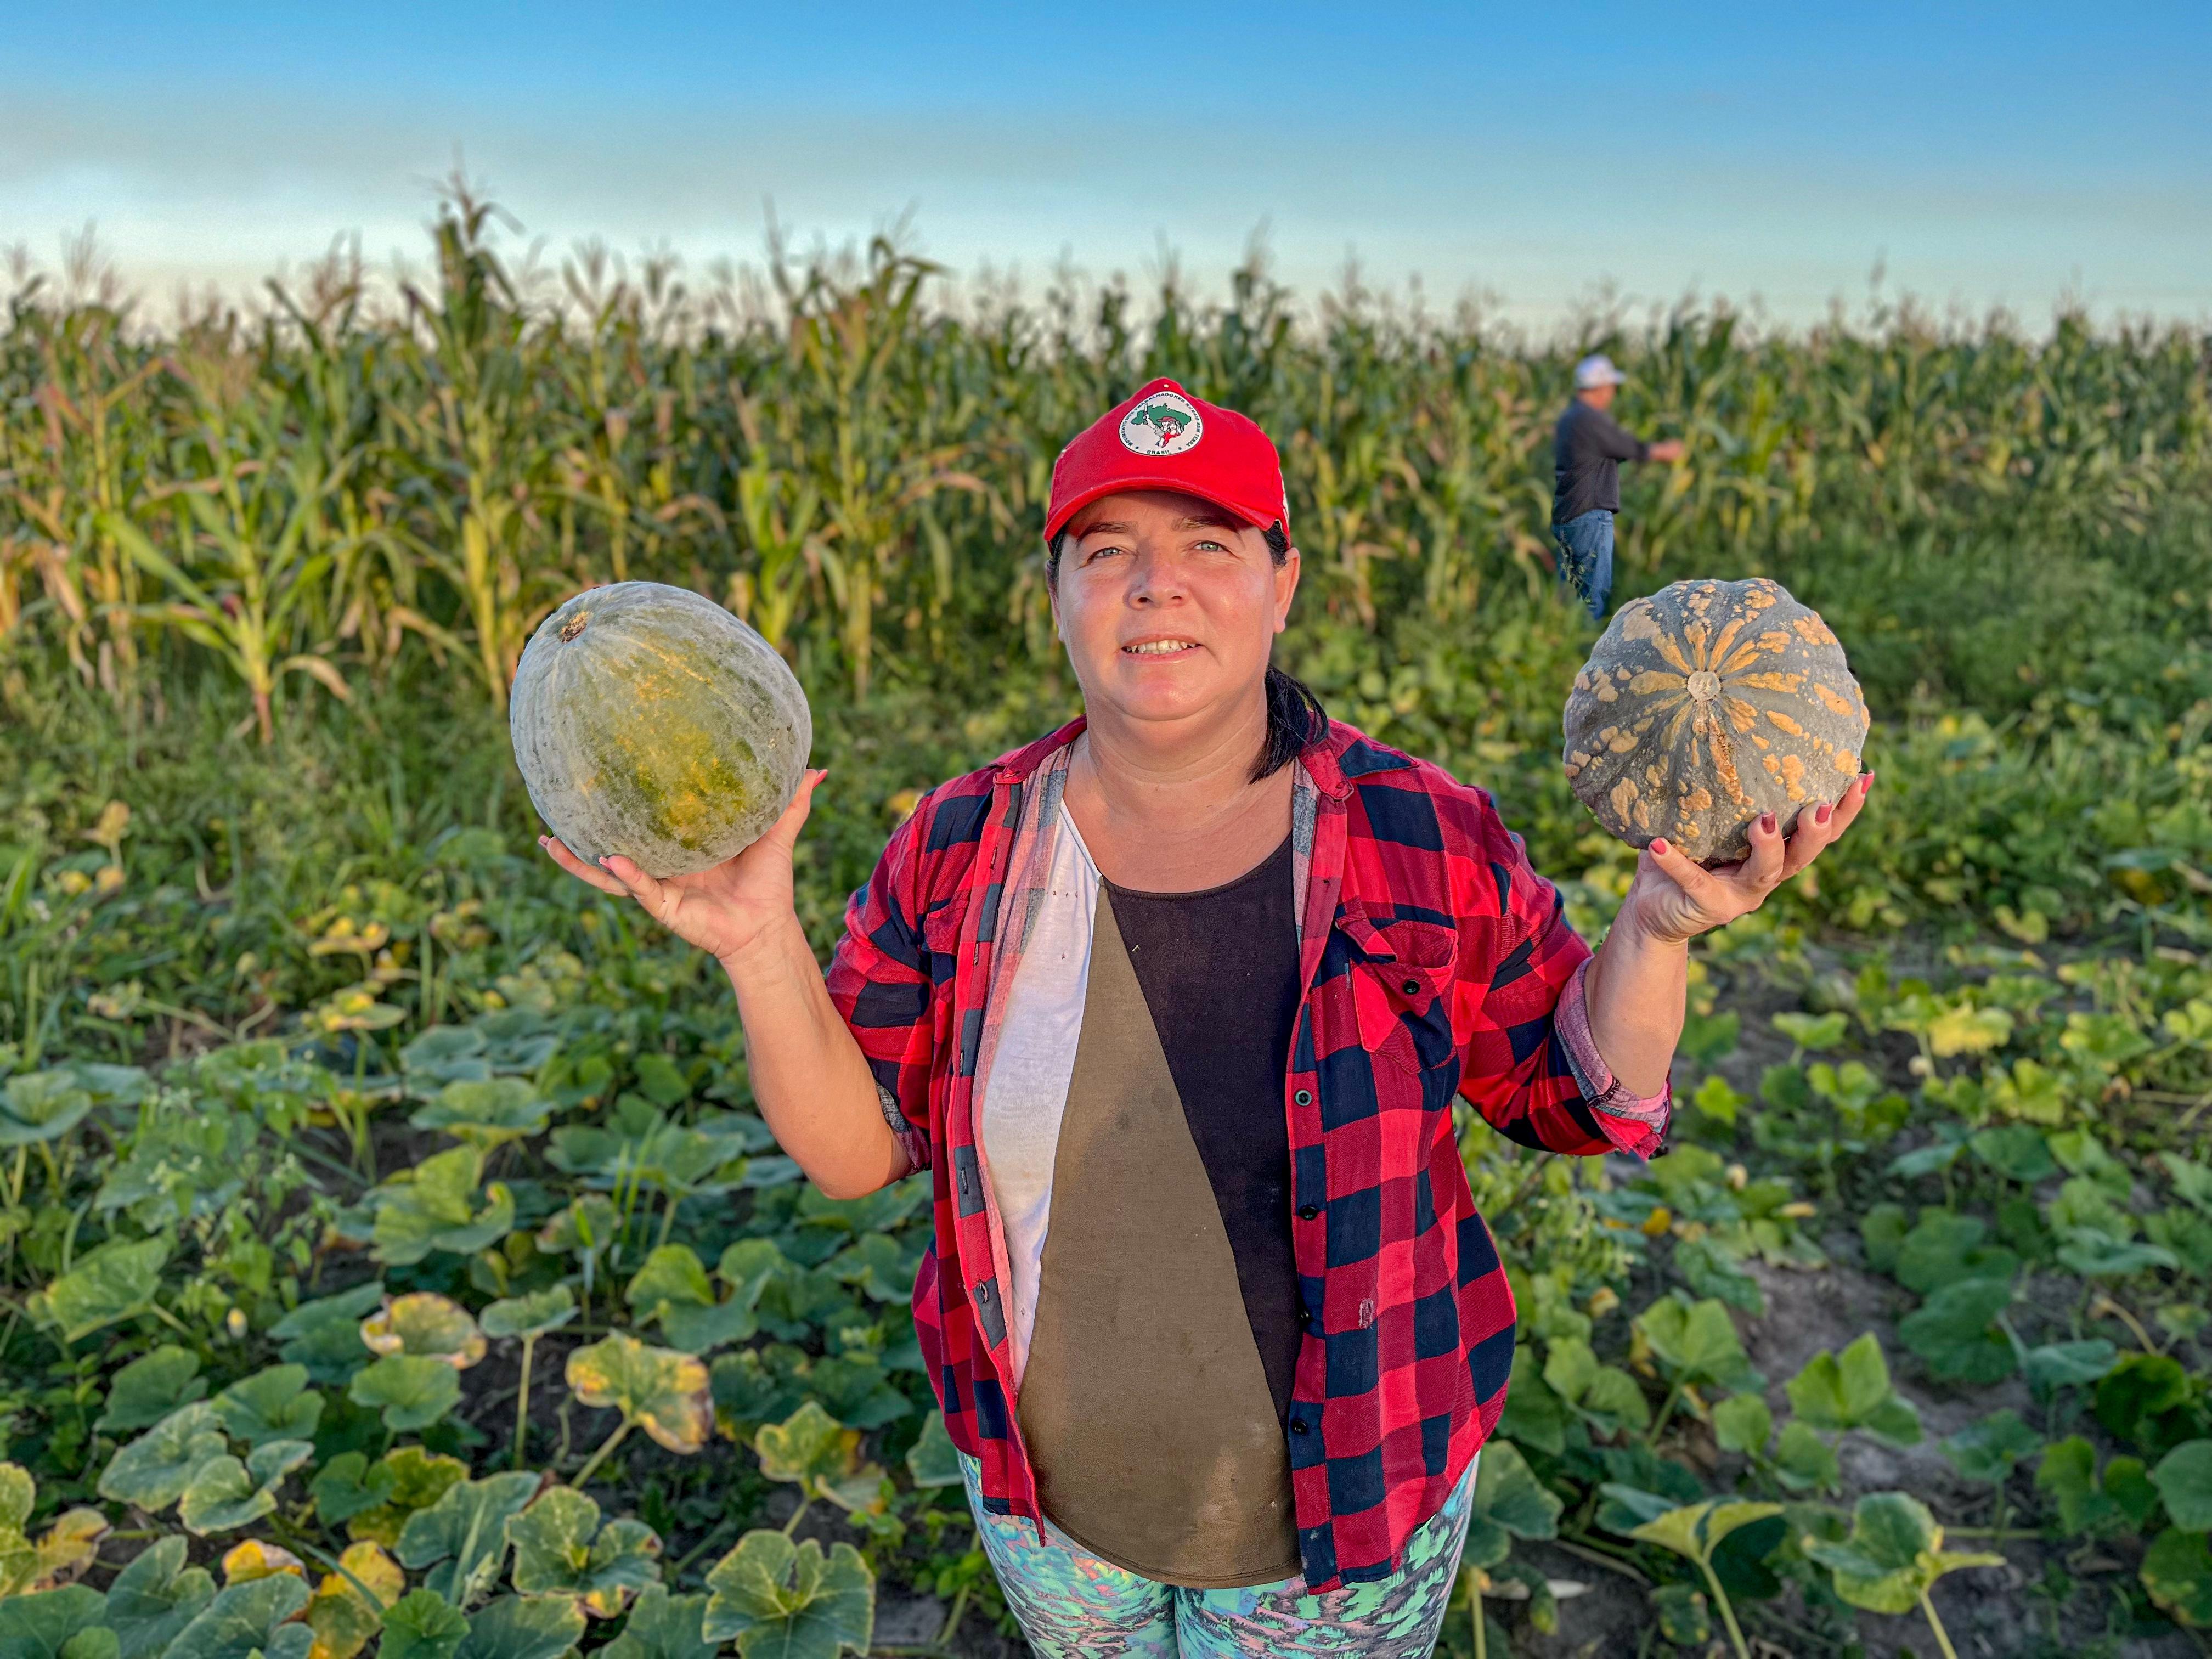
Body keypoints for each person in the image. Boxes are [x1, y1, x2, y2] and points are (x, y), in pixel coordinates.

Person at [542, 376, 1871, 1658]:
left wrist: (1657, 930)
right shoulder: (959, 846)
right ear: (1057, 597)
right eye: (1104, 549)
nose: (1153, 583)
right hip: (1052, 1520)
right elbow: (857, 1151)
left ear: (1282, 580)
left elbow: (1575, 1098)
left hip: (1351, 1526)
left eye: (1209, 542)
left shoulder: (1421, 833)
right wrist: (755, 939)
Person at [1553, 352, 1684, 620]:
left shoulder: (1570, 419)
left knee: (1567, 594)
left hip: (1567, 515)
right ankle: (1587, 656)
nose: (1612, 393)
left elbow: (1602, 452)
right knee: (1593, 596)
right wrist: (1663, 451)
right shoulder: (1590, 419)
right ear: (1600, 389)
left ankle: (1560, 651)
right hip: (1590, 515)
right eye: (1611, 387)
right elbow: (1624, 446)